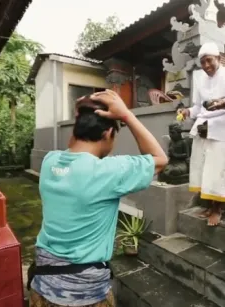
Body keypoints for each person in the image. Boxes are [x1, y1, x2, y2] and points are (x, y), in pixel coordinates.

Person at [29, 90, 168, 307]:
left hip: (41, 290)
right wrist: (127, 116)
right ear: (107, 134)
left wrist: (81, 114)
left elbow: (73, 146)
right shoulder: (108, 171)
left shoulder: (50, 161)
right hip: (86, 297)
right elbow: (160, 159)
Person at [177, 42, 225, 226]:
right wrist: (188, 112)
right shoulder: (200, 79)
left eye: (209, 61)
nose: (206, 66)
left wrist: (224, 104)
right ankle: (208, 206)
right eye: (202, 63)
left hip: (223, 126)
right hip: (203, 127)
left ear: (218, 58)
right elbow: (198, 106)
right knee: (203, 168)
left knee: (217, 170)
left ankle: (217, 209)